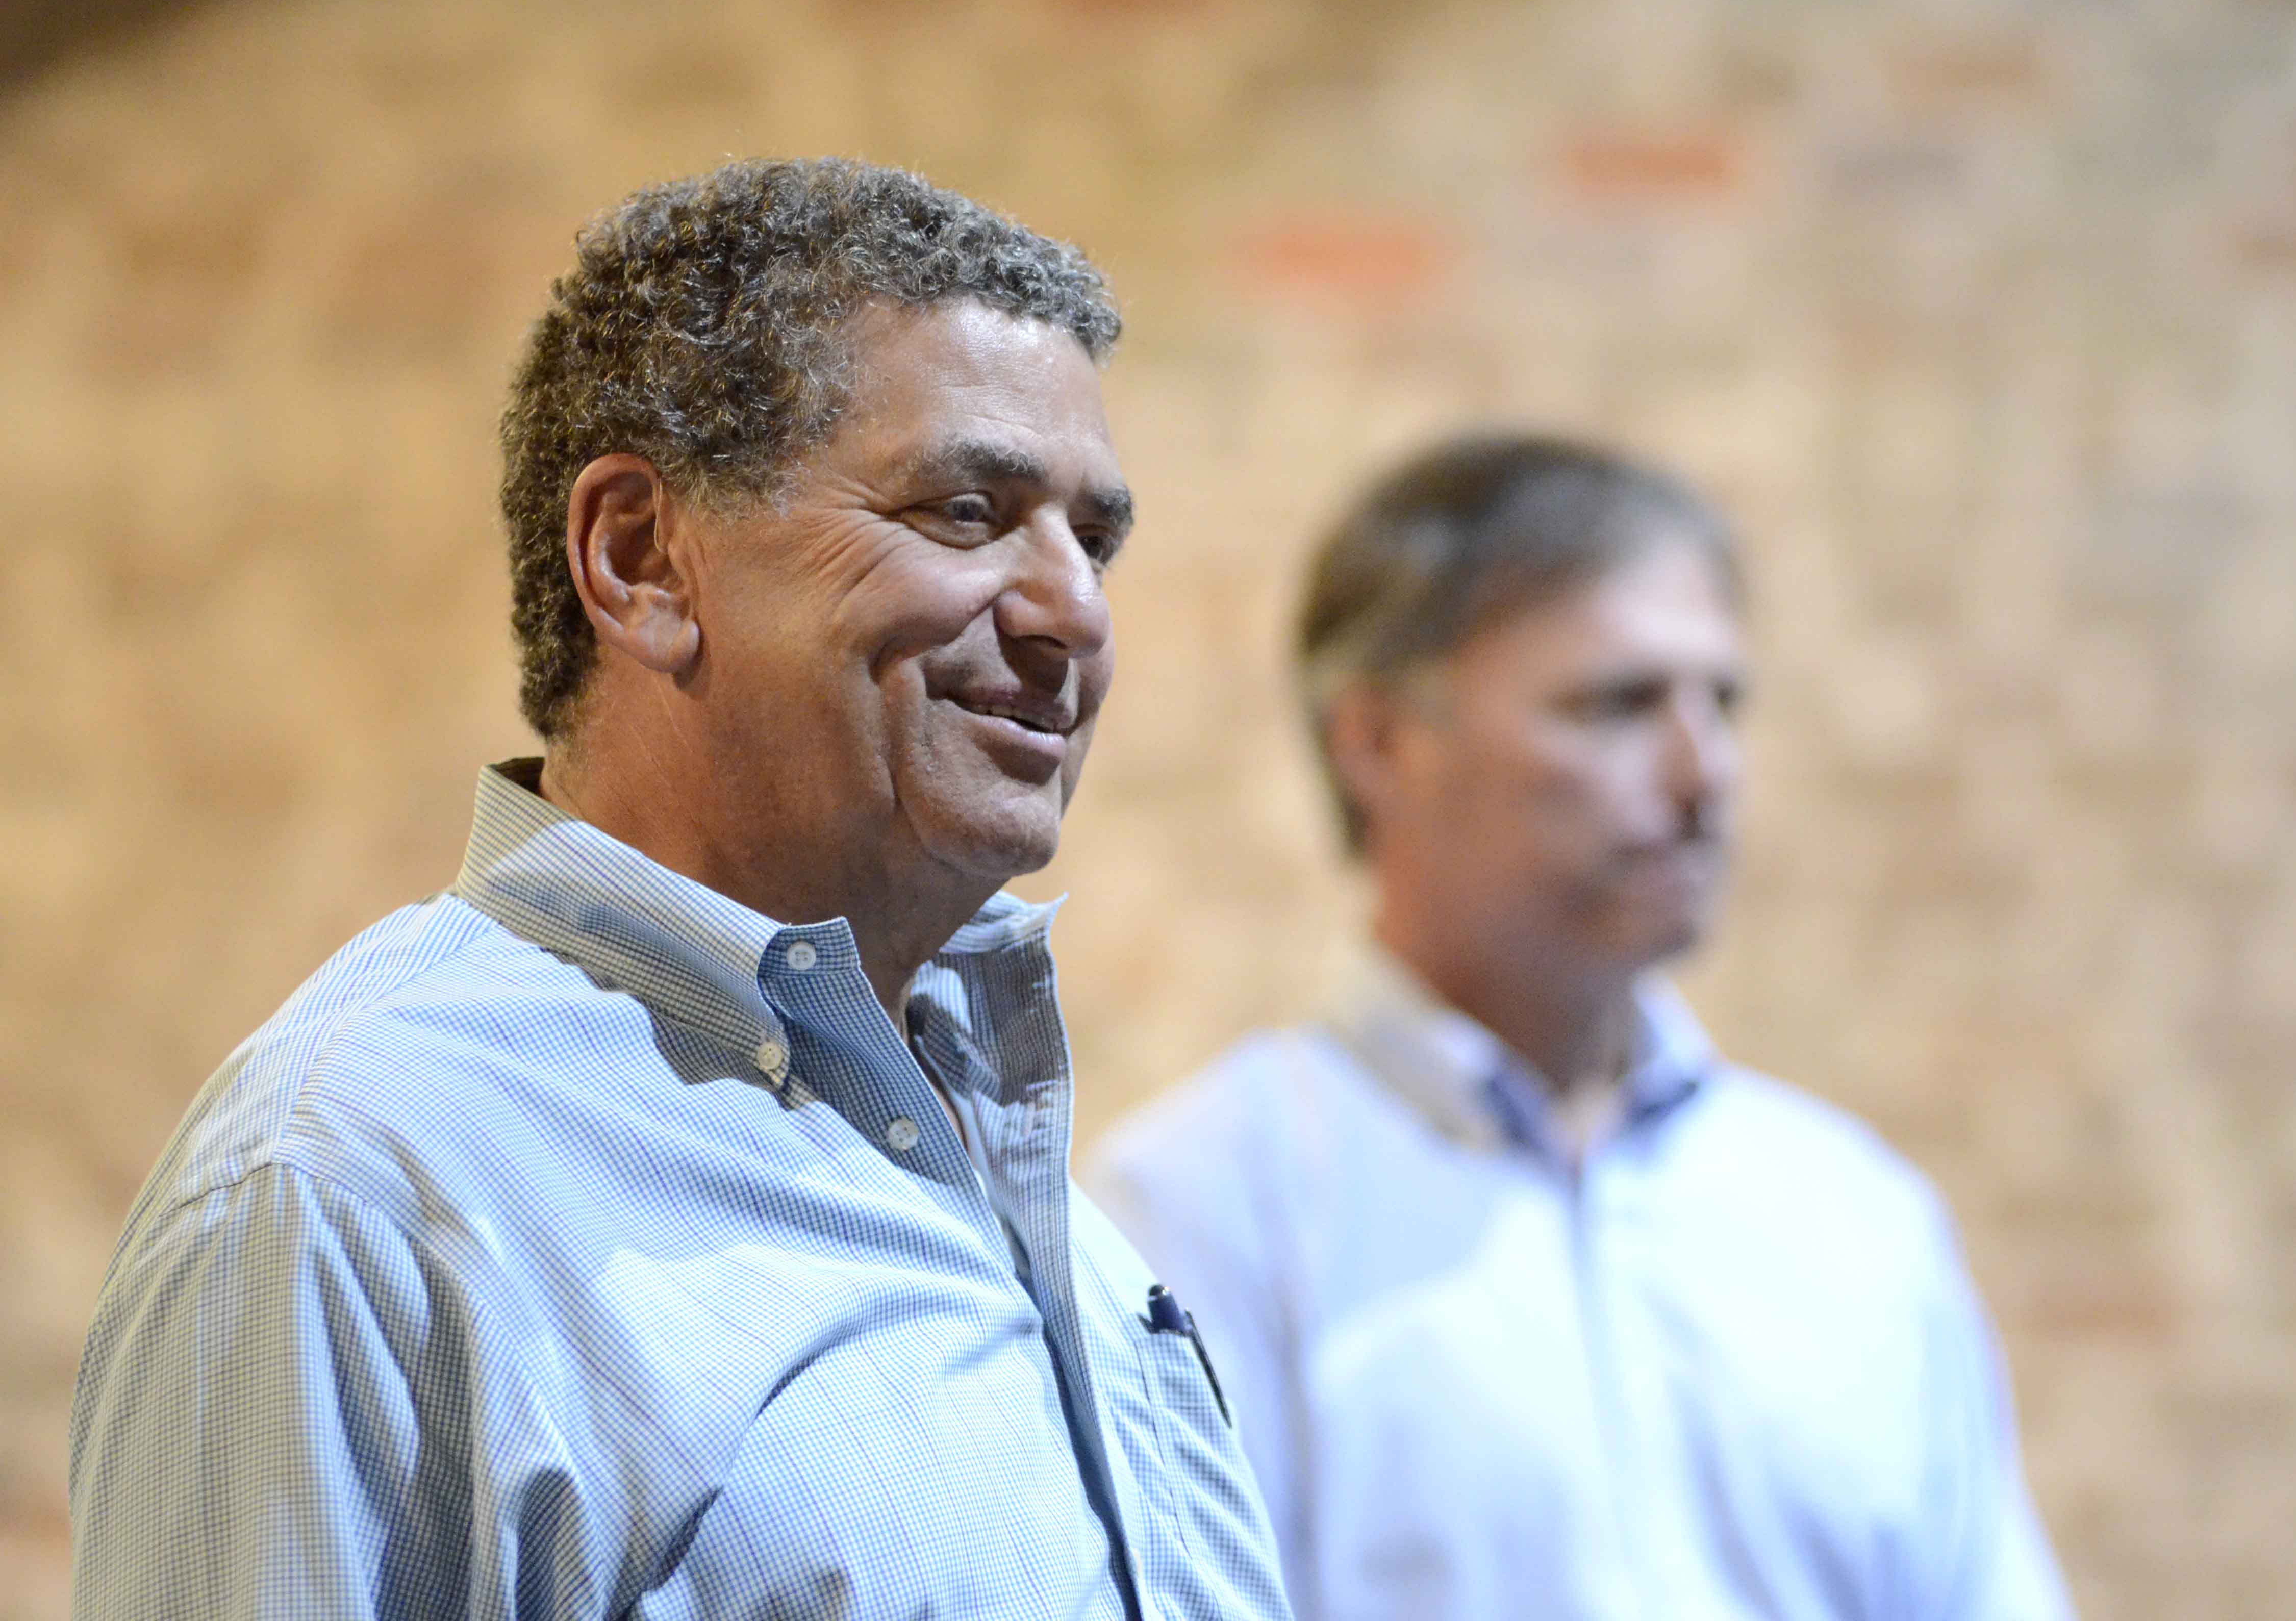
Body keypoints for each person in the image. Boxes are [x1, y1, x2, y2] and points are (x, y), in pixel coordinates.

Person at [69, 158, 1289, 1621]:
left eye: (1093, 542)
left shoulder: (983, 1141)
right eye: (969, 512)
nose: (1075, 612)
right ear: (641, 561)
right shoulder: (354, 1187)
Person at [1088, 436, 2072, 1621]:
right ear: (1377, 741)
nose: (1703, 773)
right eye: (1616, 705)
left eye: (1723, 702)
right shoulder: (1200, 1216)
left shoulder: (1853, 1217)